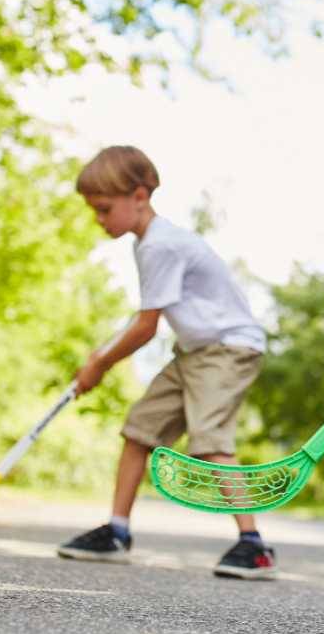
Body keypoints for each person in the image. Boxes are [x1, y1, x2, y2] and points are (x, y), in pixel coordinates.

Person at [57, 145, 277, 579]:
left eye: (105, 209)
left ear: (139, 197)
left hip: (229, 348)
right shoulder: (148, 244)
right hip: (194, 351)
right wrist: (99, 355)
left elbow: (146, 328)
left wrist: (99, 364)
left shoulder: (161, 245)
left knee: (210, 439)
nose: (99, 219)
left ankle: (254, 546)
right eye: (94, 211)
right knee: (140, 429)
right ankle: (117, 532)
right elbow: (143, 317)